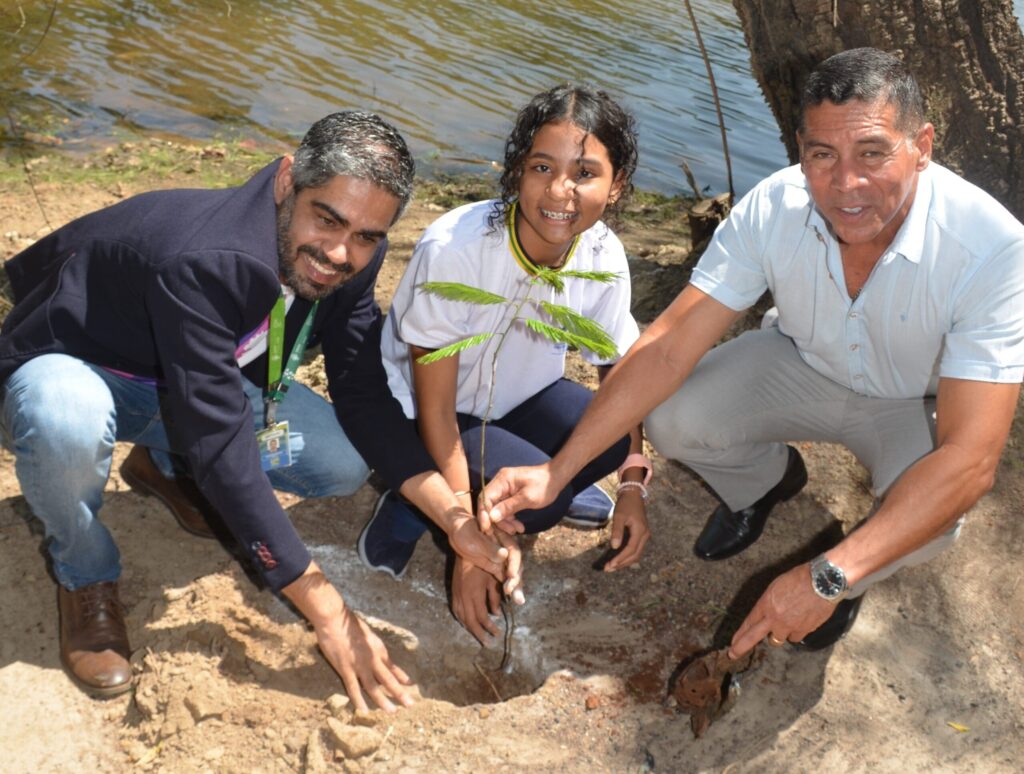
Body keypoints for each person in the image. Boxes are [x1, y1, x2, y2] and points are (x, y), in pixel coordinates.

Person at [482, 49, 1024, 657]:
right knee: (674, 414)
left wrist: (827, 577)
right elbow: (665, 349)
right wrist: (557, 471)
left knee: (932, 524)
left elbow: (972, 458)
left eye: (873, 152)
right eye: (822, 155)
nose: (846, 184)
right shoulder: (774, 205)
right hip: (800, 364)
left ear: (921, 145)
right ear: (800, 149)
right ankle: (767, 482)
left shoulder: (994, 249)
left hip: (913, 406)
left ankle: (843, 580)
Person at [0, 111, 516, 708]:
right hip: (71, 368)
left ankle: (162, 466)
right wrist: (327, 609)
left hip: (191, 384)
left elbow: (363, 393)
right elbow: (222, 448)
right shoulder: (205, 258)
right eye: (328, 218)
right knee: (66, 416)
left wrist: (453, 518)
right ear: (286, 181)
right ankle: (85, 573)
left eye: (369, 235)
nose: (340, 254)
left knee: (340, 461)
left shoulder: (354, 254)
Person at [357, 84, 653, 644]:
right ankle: (409, 505)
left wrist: (634, 482)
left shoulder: (601, 255)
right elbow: (437, 408)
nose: (560, 190)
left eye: (585, 173)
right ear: (517, 169)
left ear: (616, 188)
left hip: (520, 400)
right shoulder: (457, 250)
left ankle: (517, 479)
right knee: (546, 502)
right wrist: (467, 539)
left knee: (612, 442)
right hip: (429, 415)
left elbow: (621, 372)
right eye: (543, 166)